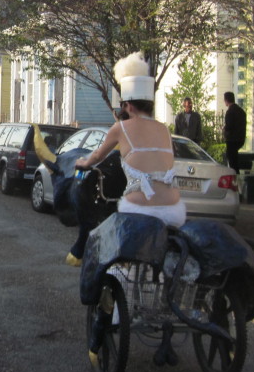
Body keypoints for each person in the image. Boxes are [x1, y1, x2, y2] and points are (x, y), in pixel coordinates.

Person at [70, 52, 185, 267]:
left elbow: (97, 156)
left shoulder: (120, 128)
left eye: (124, 104)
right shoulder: (164, 129)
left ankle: (117, 282)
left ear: (129, 106)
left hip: (139, 209)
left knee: (106, 248)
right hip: (175, 211)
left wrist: (83, 163)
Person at [223, 91, 247, 174]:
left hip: (232, 140)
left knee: (232, 161)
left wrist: (224, 129)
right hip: (240, 139)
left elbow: (229, 126)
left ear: (226, 100)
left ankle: (234, 176)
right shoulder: (241, 111)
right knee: (235, 160)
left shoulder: (230, 112)